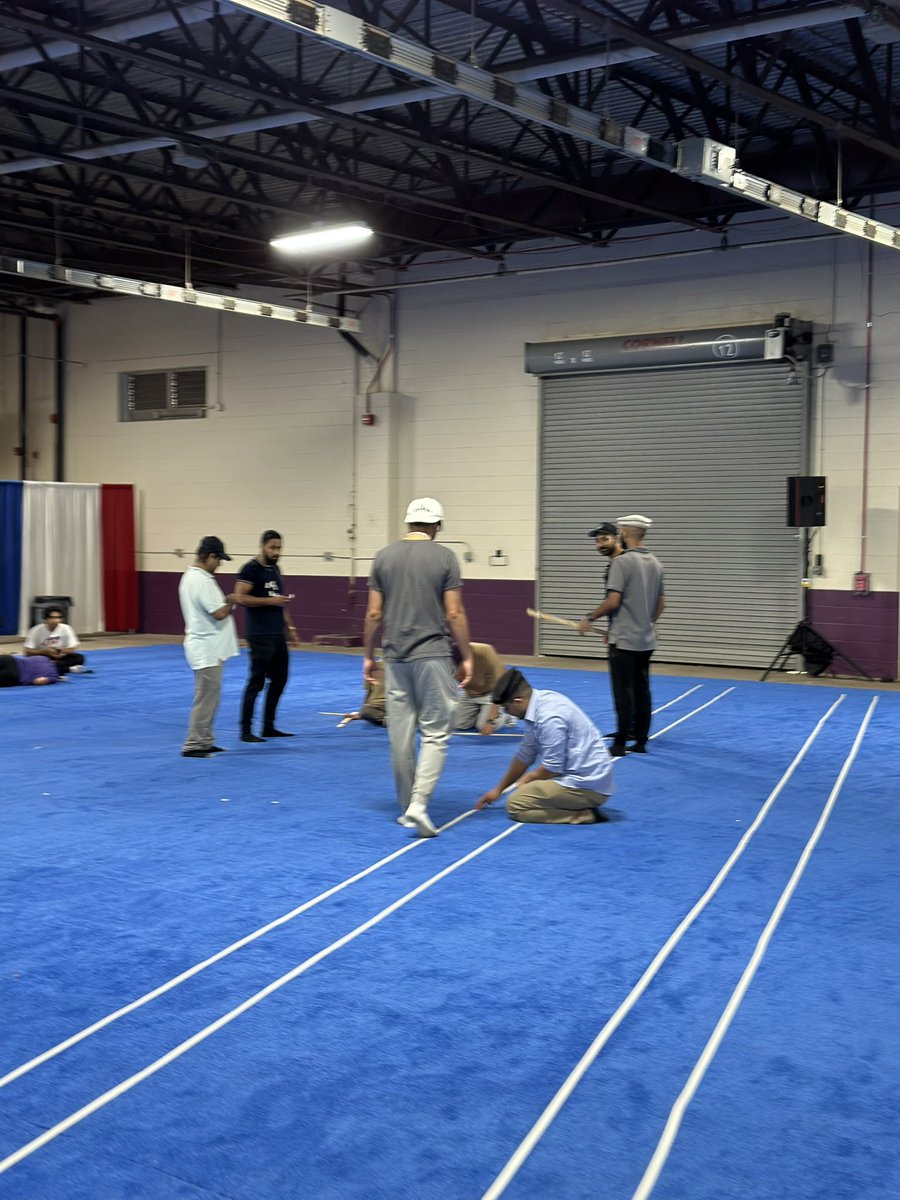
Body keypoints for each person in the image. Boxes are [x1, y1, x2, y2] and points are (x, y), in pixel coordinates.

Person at [364, 497, 473, 837]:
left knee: (400, 736)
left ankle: (404, 807)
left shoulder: (383, 557)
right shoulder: (444, 558)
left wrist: (368, 655)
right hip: (433, 656)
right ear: (436, 526)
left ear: (409, 524)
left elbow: (373, 614)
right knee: (436, 733)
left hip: (395, 659)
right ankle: (420, 804)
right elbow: (454, 613)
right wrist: (467, 655)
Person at [475, 669, 614, 824]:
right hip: (584, 777)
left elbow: (552, 767)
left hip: (588, 785)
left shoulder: (549, 718)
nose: (508, 713)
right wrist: (498, 790)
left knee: (516, 805)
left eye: (507, 708)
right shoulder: (538, 704)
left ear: (518, 701)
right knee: (527, 790)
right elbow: (525, 755)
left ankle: (582, 815)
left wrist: (528, 779)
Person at [577, 513, 665, 757]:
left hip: (624, 640)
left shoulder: (621, 563)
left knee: (622, 693)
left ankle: (619, 744)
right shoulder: (657, 563)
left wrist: (589, 618)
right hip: (646, 639)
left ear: (624, 533)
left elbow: (613, 601)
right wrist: (646, 622)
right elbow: (661, 605)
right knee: (642, 690)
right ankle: (640, 741)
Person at [178, 535, 240, 758]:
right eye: (219, 559)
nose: (220, 564)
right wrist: (232, 600)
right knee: (205, 699)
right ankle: (194, 743)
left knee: (208, 697)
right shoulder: (202, 581)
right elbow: (219, 613)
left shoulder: (190, 577)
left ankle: (204, 740)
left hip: (205, 649)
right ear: (210, 556)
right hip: (206, 649)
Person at [234, 530, 298, 742]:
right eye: (272, 547)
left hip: (276, 633)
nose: (276, 551)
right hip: (259, 634)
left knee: (280, 680)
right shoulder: (251, 569)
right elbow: (240, 597)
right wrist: (270, 602)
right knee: (257, 682)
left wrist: (290, 629)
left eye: (279, 547)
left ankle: (268, 726)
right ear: (262, 546)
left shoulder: (275, 569)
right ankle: (245, 730)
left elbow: (280, 602)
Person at [452, 641, 517, 734]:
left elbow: (501, 686)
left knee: (482, 726)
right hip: (470, 693)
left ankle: (506, 716)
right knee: (457, 724)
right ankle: (481, 712)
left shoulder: (485, 651)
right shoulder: (448, 658)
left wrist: (490, 720)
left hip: (491, 693)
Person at [23, 606, 87, 675]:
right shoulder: (36, 630)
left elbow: (72, 647)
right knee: (33, 662)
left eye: (57, 618)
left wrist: (63, 652)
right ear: (45, 619)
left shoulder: (66, 628)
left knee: (79, 658)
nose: (55, 621)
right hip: (43, 657)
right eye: (51, 618)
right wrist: (44, 652)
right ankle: (67, 669)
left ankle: (55, 667)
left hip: (60, 656)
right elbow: (27, 652)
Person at [339, 661, 387, 727]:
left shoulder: (372, 665)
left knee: (368, 712)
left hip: (371, 708)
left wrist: (362, 713)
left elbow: (368, 692)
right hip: (395, 706)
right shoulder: (401, 666)